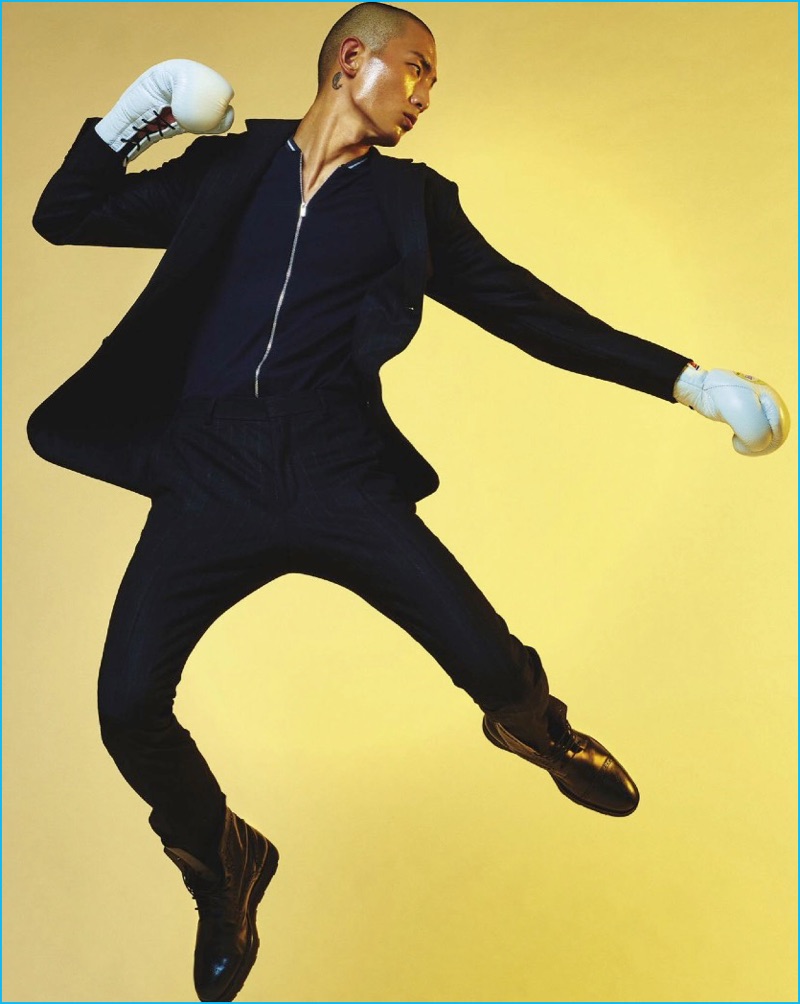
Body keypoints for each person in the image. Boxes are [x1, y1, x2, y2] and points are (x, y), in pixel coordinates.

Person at [29, 3, 790, 1002]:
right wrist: (140, 115)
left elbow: (526, 309)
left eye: (433, 80)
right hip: (208, 475)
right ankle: (221, 857)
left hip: (339, 469)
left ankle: (542, 730)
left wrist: (687, 380)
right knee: (126, 706)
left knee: (490, 663)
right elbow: (67, 214)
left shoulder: (411, 203)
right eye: (418, 69)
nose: (427, 95)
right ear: (352, 60)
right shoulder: (229, 167)